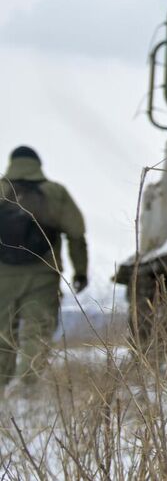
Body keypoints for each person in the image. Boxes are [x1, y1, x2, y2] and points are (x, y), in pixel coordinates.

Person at [0, 146, 88, 388]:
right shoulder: (55, 192)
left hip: (2, 277)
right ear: (38, 164)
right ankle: (26, 388)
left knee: (2, 334)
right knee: (37, 332)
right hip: (43, 275)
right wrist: (81, 271)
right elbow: (77, 233)